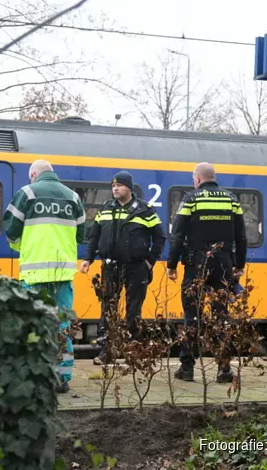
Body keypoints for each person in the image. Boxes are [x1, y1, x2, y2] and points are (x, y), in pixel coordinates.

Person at [2, 159, 85, 394]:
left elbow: (11, 229)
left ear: (33, 174)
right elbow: (81, 236)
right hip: (63, 274)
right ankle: (61, 378)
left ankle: (34, 376)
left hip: (34, 273)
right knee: (62, 326)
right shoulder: (73, 197)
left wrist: (23, 247)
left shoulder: (27, 193)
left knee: (32, 324)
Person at [166, 162, 247, 383]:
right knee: (222, 316)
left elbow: (178, 235)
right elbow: (241, 236)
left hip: (196, 264)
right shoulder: (231, 200)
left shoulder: (191, 200)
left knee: (192, 316)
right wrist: (239, 264)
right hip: (223, 265)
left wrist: (171, 265)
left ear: (197, 179)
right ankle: (224, 370)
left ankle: (188, 368)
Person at [80, 171, 166, 365]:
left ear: (129, 188)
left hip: (136, 268)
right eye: (113, 186)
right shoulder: (106, 208)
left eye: (119, 186)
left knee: (133, 311)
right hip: (110, 266)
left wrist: (149, 261)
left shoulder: (144, 209)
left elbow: (159, 238)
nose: (115, 189)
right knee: (108, 310)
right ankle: (106, 352)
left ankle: (132, 353)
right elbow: (94, 236)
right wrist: (88, 258)